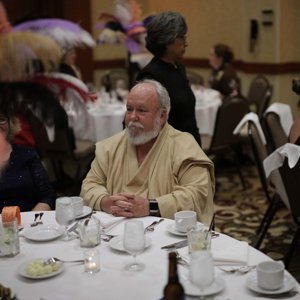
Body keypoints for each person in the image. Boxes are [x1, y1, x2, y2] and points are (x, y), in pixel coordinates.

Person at [80, 79, 215, 224]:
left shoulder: (184, 147)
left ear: (162, 116)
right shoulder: (110, 147)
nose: (132, 117)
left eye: (142, 110)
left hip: (168, 237)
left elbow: (197, 193)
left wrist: (150, 207)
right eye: (129, 109)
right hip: (117, 234)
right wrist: (104, 201)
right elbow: (90, 185)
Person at [136, 12, 201, 146]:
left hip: (189, 147)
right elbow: (143, 125)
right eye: (181, 37)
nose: (186, 42)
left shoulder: (178, 68)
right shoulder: (151, 75)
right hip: (169, 153)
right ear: (167, 41)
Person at [0, 114, 56, 212]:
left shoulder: (26, 155)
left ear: (10, 123)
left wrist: (28, 223)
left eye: (1, 119)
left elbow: (48, 196)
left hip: (29, 222)